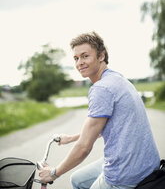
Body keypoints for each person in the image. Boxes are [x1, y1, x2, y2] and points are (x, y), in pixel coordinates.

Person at [39, 31, 160, 189]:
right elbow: (105, 127)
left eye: (85, 56)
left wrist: (54, 173)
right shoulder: (118, 78)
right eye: (76, 58)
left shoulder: (101, 89)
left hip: (126, 172)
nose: (79, 62)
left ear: (101, 56)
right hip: (146, 163)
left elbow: (84, 148)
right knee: (77, 179)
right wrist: (70, 138)